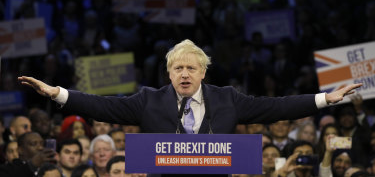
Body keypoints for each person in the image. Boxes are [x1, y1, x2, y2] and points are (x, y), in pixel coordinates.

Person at [18, 39, 361, 175]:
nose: (184, 74)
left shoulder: (227, 98)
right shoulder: (148, 100)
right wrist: (57, 93)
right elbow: (102, 107)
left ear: (203, 72)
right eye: (177, 68)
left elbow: (274, 107)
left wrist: (323, 99)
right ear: (168, 73)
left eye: (191, 68)